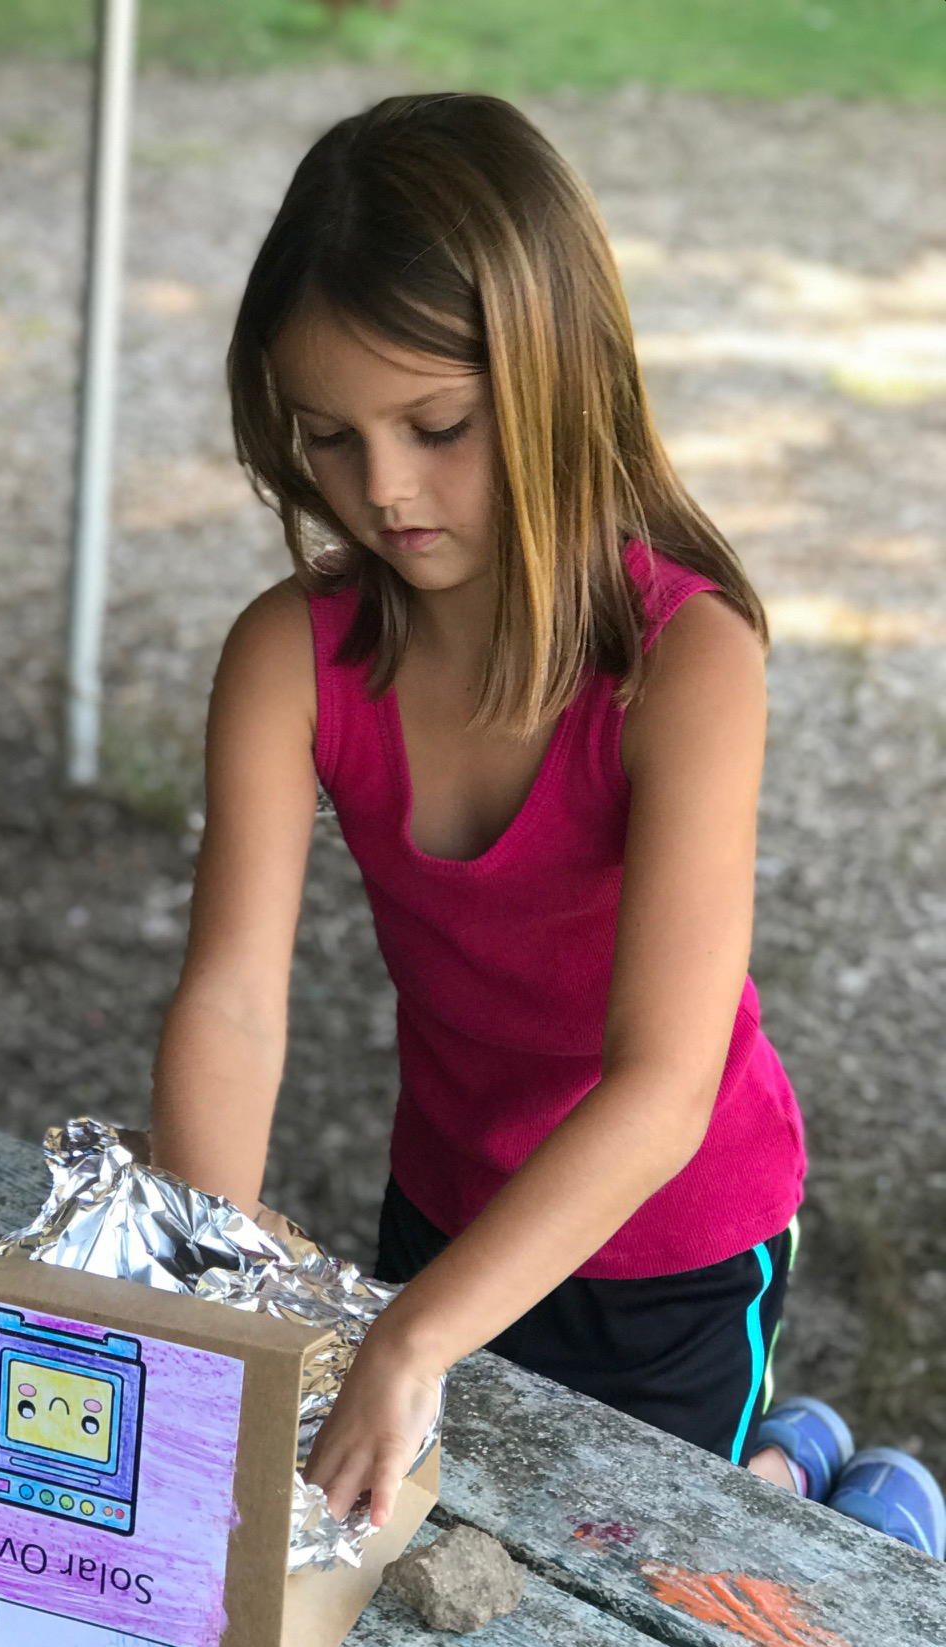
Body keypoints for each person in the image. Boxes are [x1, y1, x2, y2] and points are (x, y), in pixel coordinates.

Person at [147, 92, 946, 1559]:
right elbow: (234, 999)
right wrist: (199, 1304)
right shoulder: (288, 654)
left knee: (628, 1575)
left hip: (675, 1236)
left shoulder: (690, 665)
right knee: (427, 1546)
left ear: (558, 378)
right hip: (444, 1198)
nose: (381, 490)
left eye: (437, 426)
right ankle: (784, 1449)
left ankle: (815, 1496)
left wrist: (409, 1345)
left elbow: (660, 1092)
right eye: (326, 439)